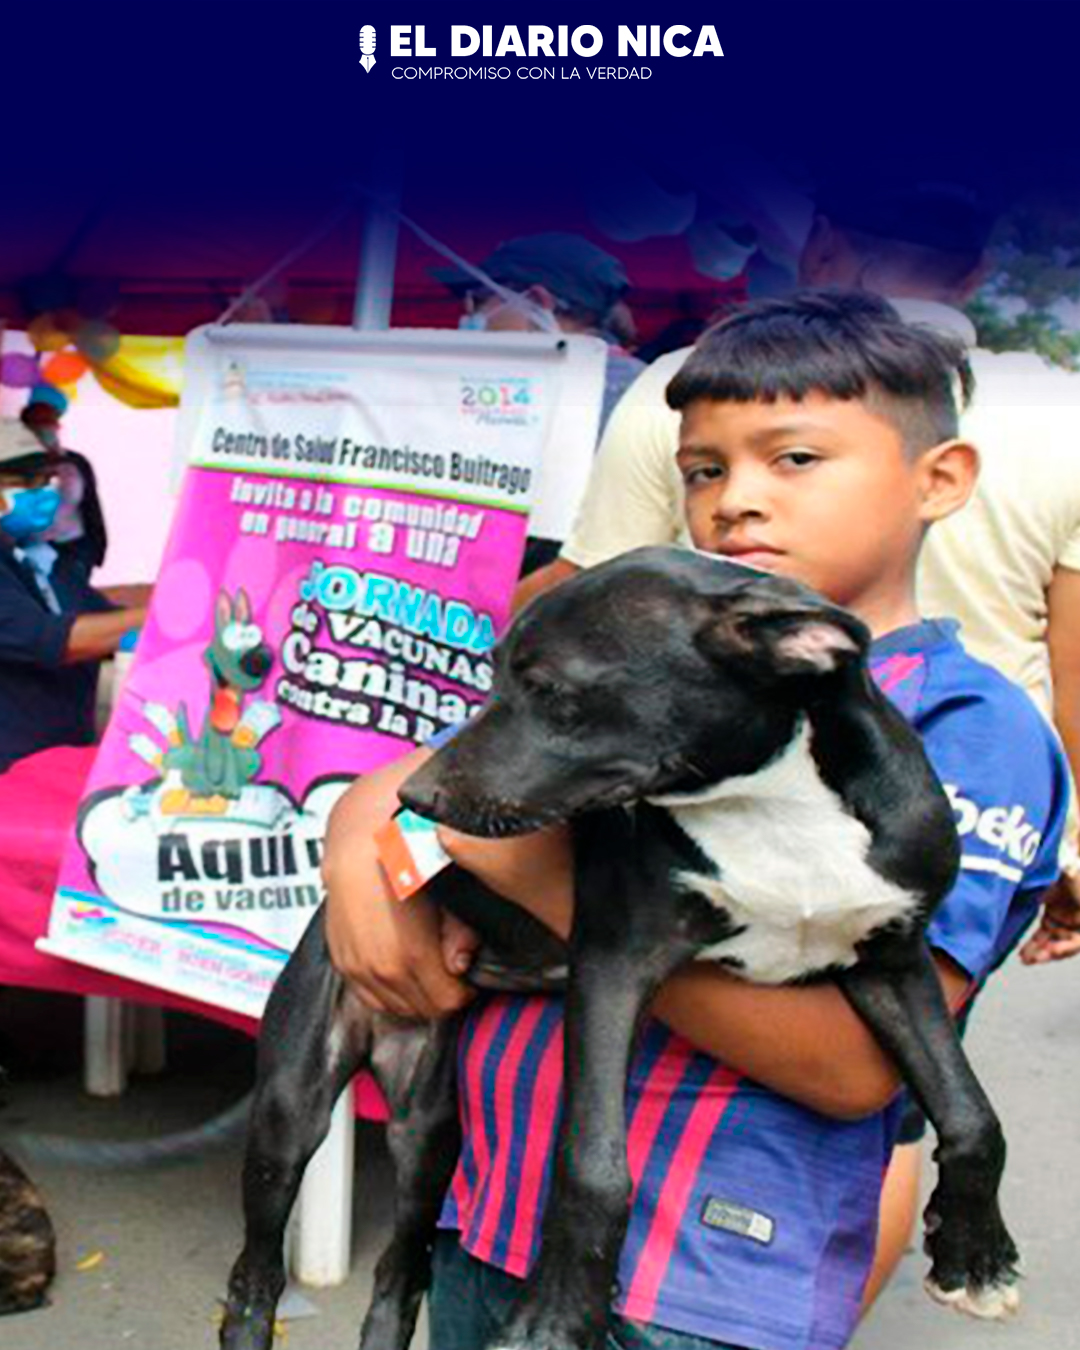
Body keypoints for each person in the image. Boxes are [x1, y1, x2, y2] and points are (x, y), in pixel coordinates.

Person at [323, 293, 1069, 1350]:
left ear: (939, 479)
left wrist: (533, 878)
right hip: (495, 1218)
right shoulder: (655, 671)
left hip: (707, 1277)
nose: (736, 504)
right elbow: (450, 781)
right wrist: (357, 838)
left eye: (795, 459)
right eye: (705, 471)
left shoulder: (966, 731)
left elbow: (860, 1069)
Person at [437, 231, 647, 577]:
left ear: (537, 300)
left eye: (478, 299)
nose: (469, 314)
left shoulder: (534, 397)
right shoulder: (648, 384)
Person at [0, 417, 147, 774]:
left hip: (55, 767)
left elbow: (98, 616)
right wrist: (167, 610)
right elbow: (55, 640)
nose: (44, 491)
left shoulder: (39, 559)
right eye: (24, 480)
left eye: (46, 478)